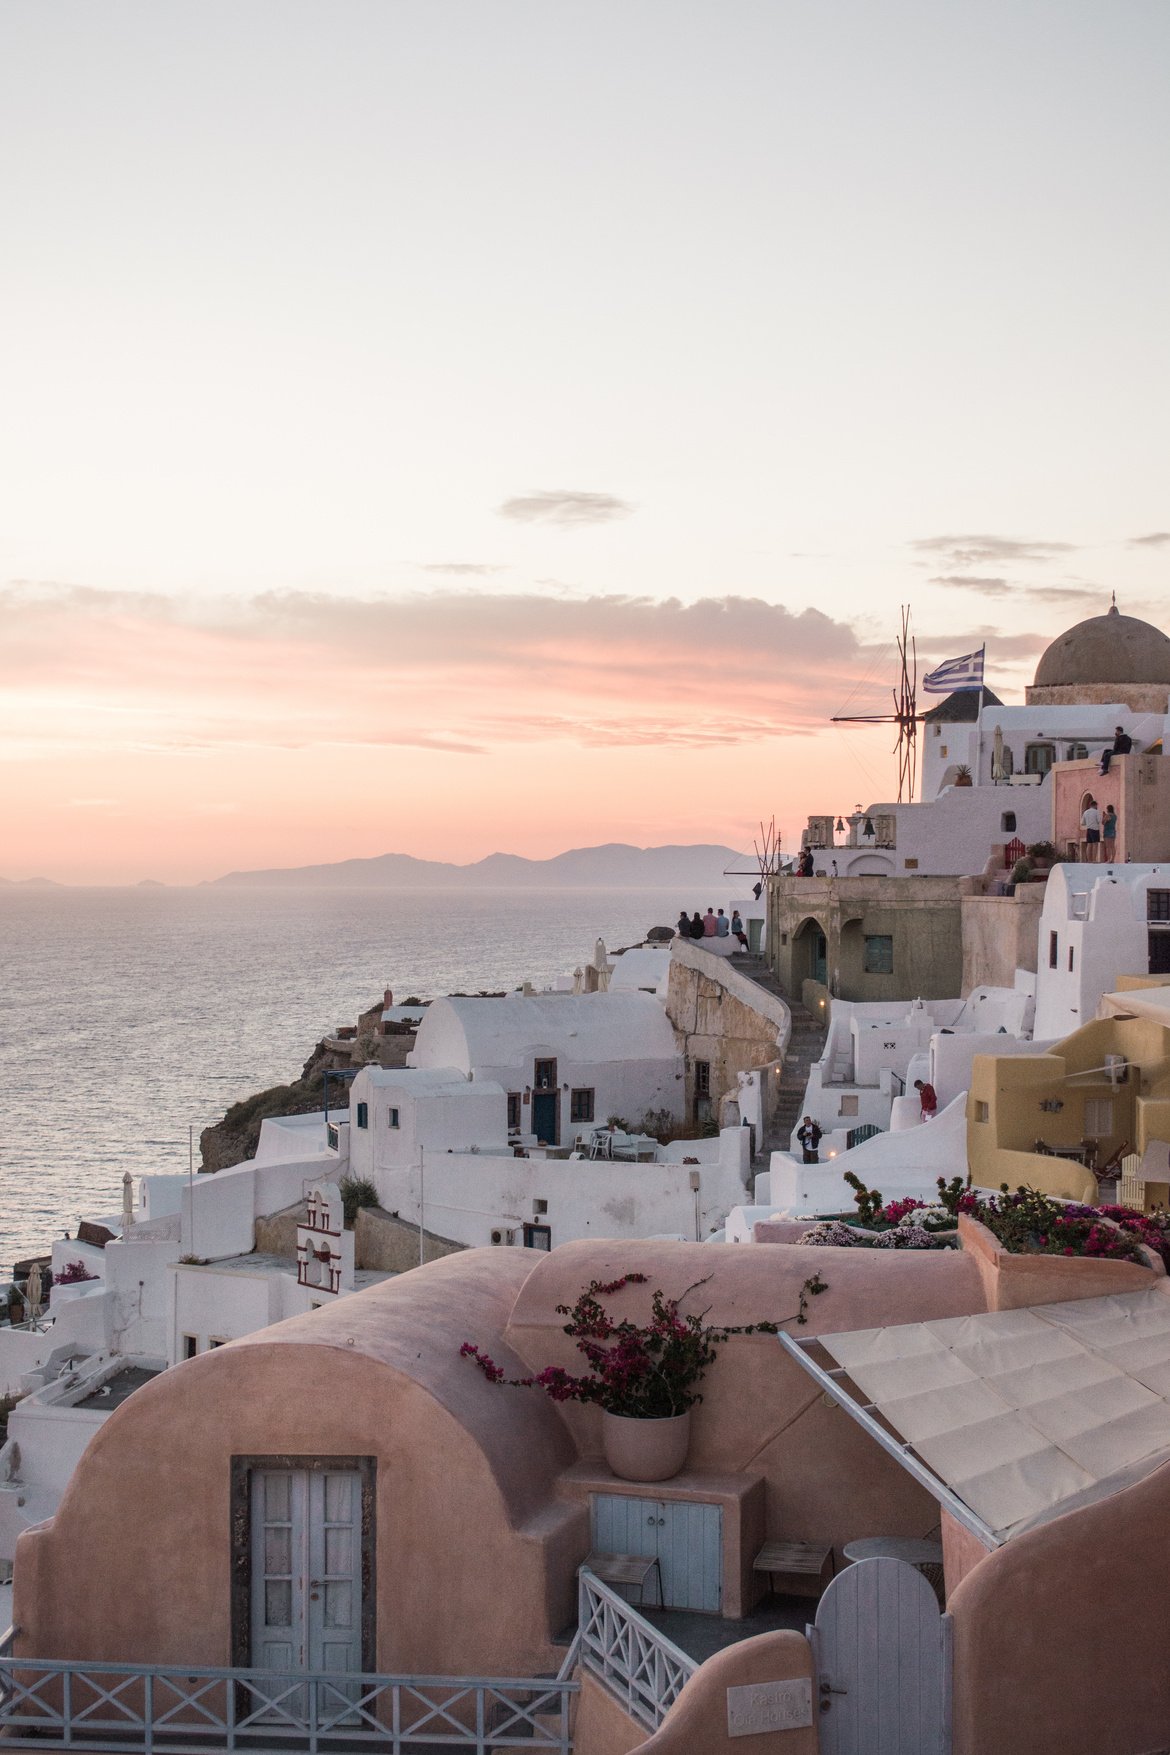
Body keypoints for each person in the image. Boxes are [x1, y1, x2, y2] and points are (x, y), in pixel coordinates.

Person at [1081, 797, 1101, 862]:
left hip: (1088, 829)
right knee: (1095, 844)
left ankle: (1089, 860)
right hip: (1095, 829)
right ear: (1095, 805)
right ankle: (1094, 860)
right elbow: (1099, 820)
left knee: (1089, 844)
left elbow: (1082, 823)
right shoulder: (1096, 812)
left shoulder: (1085, 812)